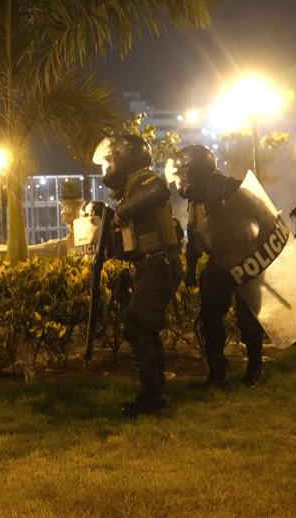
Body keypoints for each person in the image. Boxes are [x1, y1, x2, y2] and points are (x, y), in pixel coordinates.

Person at [93, 134, 182, 416]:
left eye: (111, 159)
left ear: (126, 158)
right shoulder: (131, 188)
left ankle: (153, 393)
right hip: (151, 266)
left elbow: (159, 190)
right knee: (145, 326)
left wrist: (120, 212)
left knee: (135, 323)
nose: (108, 166)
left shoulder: (144, 179)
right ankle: (158, 390)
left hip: (159, 265)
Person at [173, 145, 266, 388]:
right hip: (216, 264)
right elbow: (194, 234)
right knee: (209, 317)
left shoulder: (233, 187)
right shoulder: (196, 199)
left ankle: (255, 367)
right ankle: (218, 371)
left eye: (183, 172)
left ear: (196, 169)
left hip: (246, 261)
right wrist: (191, 269)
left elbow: (264, 218)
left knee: (248, 318)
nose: (180, 180)